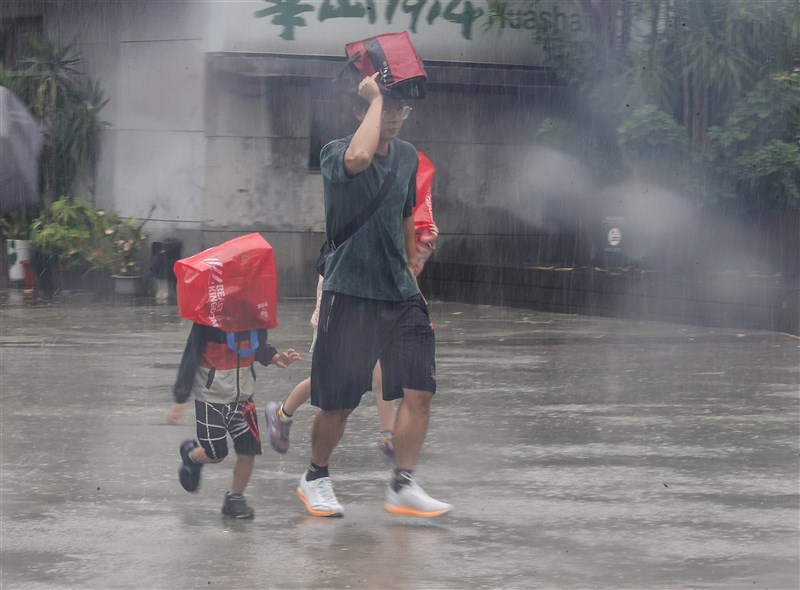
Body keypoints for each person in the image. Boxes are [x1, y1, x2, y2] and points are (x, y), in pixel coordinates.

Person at [294, 73, 451, 518]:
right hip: (350, 291)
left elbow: (406, 214)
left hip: (399, 293)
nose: (396, 117)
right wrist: (376, 96)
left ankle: (402, 484)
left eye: (402, 109)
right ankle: (315, 477)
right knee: (338, 403)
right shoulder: (336, 154)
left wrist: (411, 274)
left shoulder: (406, 157)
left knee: (420, 390)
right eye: (387, 107)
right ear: (360, 110)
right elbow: (361, 156)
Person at [265, 152, 439, 464]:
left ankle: (388, 437)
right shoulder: (354, 183)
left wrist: (419, 256)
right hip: (343, 294)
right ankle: (283, 413)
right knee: (330, 379)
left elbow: (409, 263)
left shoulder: (411, 213)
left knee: (381, 370)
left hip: (384, 301)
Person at [167, 323, 301, 518]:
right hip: (211, 397)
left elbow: (257, 346)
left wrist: (274, 357)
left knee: (248, 451)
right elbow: (191, 356)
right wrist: (180, 397)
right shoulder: (207, 321)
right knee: (216, 453)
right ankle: (192, 456)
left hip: (243, 399)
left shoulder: (252, 316)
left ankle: (235, 497)